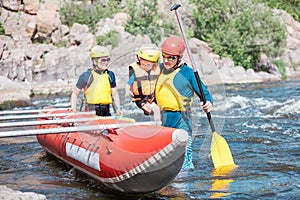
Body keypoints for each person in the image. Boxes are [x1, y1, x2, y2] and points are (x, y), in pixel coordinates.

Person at [154, 35, 214, 170]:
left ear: (179, 58)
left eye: (171, 57)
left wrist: (208, 102)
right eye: (164, 56)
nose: (167, 60)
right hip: (165, 121)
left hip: (182, 120)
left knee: (183, 164)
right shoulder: (159, 70)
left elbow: (205, 93)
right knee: (167, 162)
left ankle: (184, 187)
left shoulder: (188, 73)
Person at [70, 45, 122, 116]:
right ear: (95, 61)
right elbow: (75, 93)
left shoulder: (110, 75)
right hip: (91, 111)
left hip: (106, 110)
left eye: (107, 60)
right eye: (103, 60)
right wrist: (73, 108)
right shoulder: (86, 76)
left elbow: (115, 93)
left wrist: (118, 108)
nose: (106, 62)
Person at [125, 45, 161, 121]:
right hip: (140, 99)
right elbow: (128, 83)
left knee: (156, 110)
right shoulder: (136, 71)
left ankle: (157, 125)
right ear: (139, 60)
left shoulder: (156, 69)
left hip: (151, 98)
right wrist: (127, 91)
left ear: (153, 64)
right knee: (155, 110)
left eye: (148, 65)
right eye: (143, 64)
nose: (145, 67)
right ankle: (158, 126)